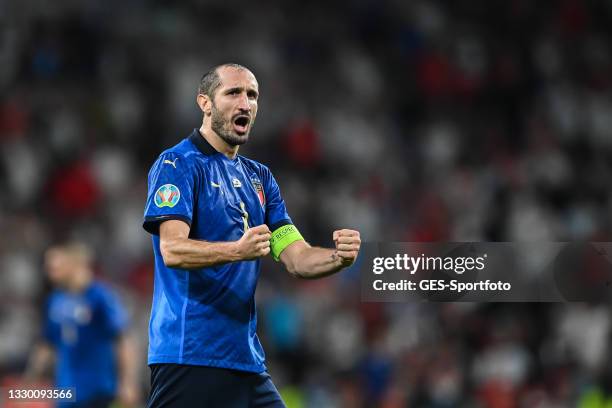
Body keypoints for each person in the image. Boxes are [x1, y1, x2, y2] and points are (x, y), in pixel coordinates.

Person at [142, 63, 362, 407]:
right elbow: (172, 250)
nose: (245, 103)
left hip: (245, 360)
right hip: (189, 355)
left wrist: (339, 258)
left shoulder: (260, 179)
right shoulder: (178, 164)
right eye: (233, 93)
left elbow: (297, 259)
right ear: (205, 103)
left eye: (252, 95)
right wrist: (236, 251)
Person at [25, 242, 139, 408]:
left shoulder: (100, 297)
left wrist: (128, 382)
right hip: (66, 391)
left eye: (55, 263)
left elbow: (123, 339)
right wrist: (30, 380)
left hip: (99, 389)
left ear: (75, 264)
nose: (48, 269)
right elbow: (47, 343)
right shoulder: (55, 300)